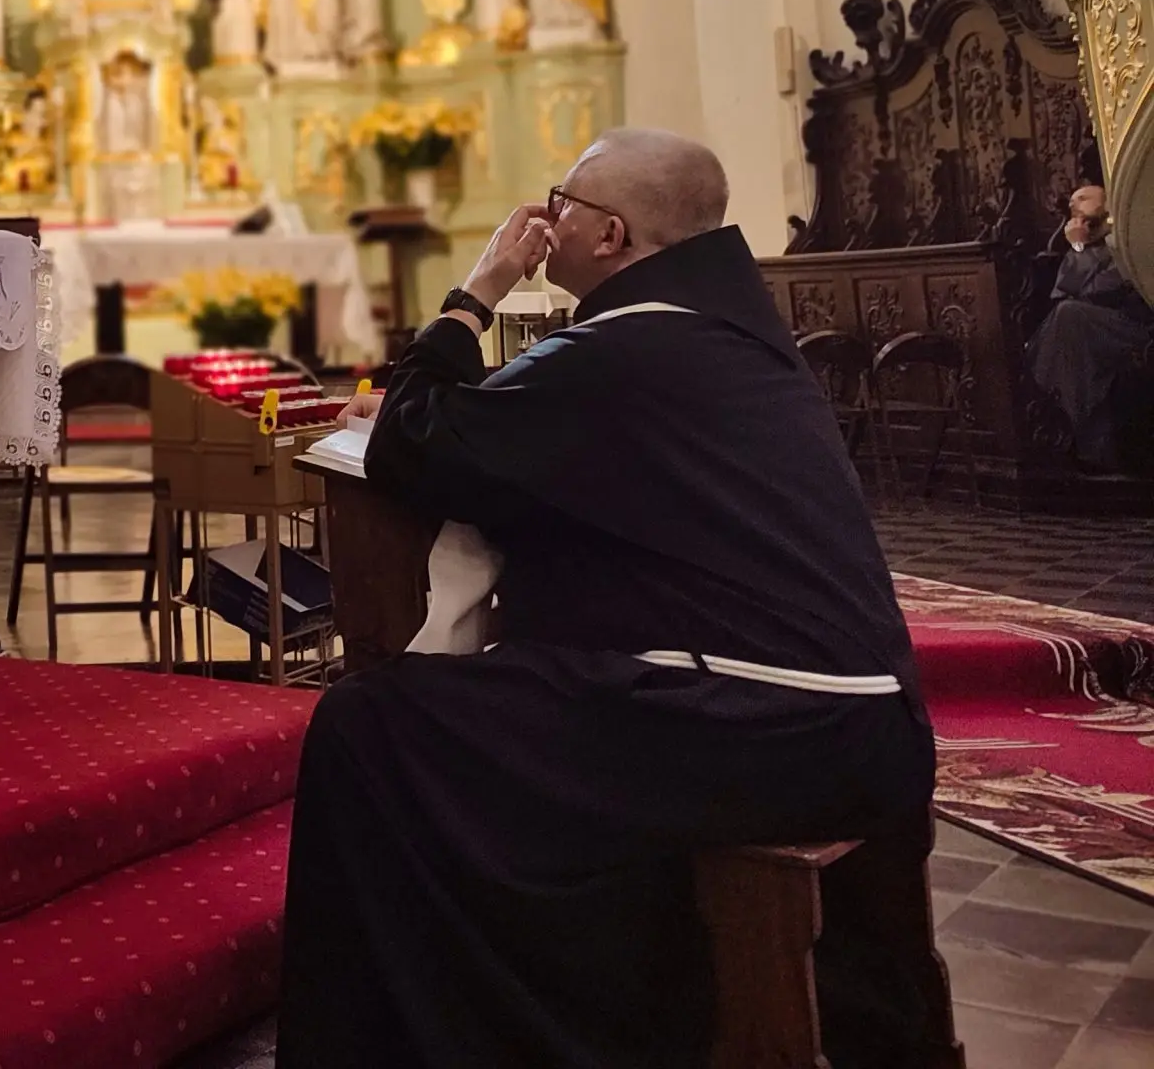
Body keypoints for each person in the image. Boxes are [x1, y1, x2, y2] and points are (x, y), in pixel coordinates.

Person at [280, 128, 936, 1067]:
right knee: (509, 699)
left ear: (609, 235)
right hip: (857, 720)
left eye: (563, 202)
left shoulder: (625, 343)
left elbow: (421, 436)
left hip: (772, 728)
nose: (547, 217)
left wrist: (479, 290)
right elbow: (543, 428)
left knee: (372, 723)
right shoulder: (723, 327)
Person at [1029, 182, 1154, 475]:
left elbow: (1100, 291)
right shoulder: (1085, 244)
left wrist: (1079, 248)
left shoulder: (1125, 238)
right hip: (1092, 326)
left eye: (1084, 198)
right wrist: (1079, 248)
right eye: (1072, 201)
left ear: (1107, 203)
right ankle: (1076, 437)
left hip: (1134, 325)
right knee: (1068, 320)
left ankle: (1047, 403)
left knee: (1070, 316)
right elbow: (1063, 291)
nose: (1074, 204)